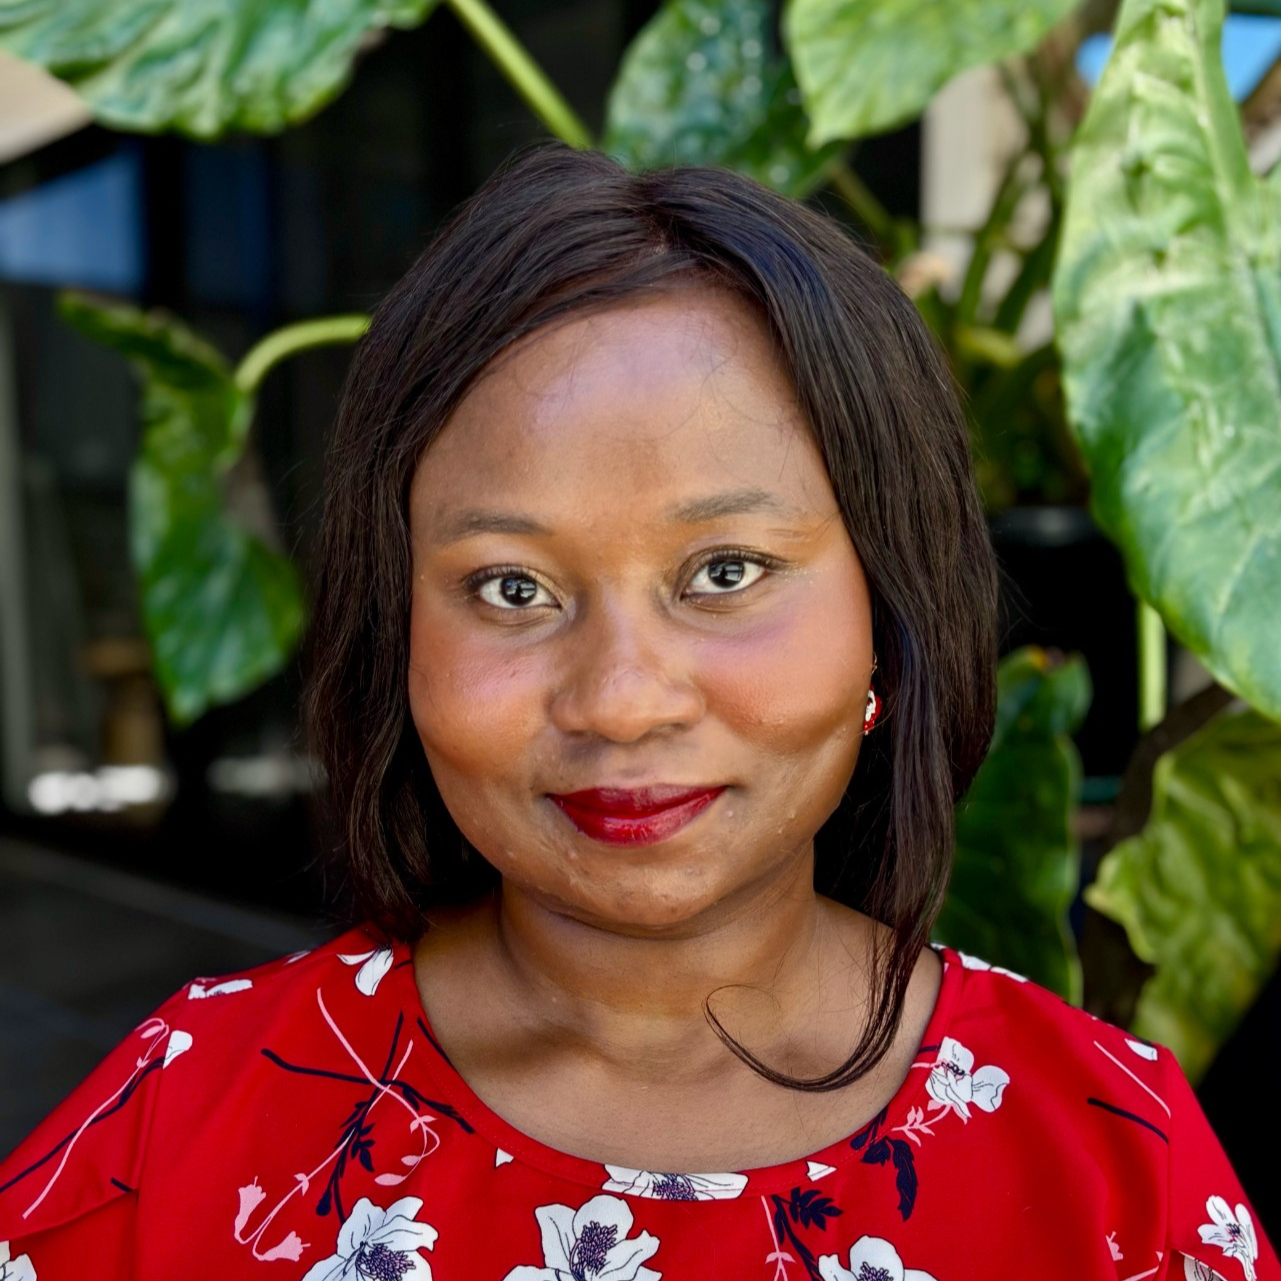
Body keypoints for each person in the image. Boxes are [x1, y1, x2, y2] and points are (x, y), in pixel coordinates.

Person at [0, 144, 1273, 1281]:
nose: (619, 701)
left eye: (725, 573)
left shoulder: (1113, 1158)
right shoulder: (190, 1123)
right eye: (511, 588)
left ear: (889, 612)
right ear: (398, 638)